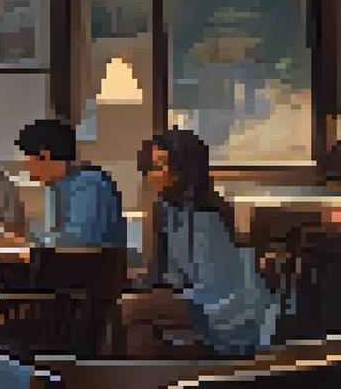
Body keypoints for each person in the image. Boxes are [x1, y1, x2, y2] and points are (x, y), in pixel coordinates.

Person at [118, 130, 276, 357]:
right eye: (150, 166)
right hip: (189, 297)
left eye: (160, 165)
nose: (151, 174)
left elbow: (214, 287)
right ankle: (149, 385)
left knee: (129, 309)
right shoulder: (163, 209)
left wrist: (159, 297)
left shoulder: (207, 214)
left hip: (222, 307)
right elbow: (158, 272)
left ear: (184, 169)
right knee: (137, 325)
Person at [15, 118, 127, 248]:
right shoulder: (58, 184)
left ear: (45, 156)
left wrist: (29, 242)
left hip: (95, 265)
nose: (26, 166)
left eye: (28, 158)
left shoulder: (88, 183)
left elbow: (77, 239)